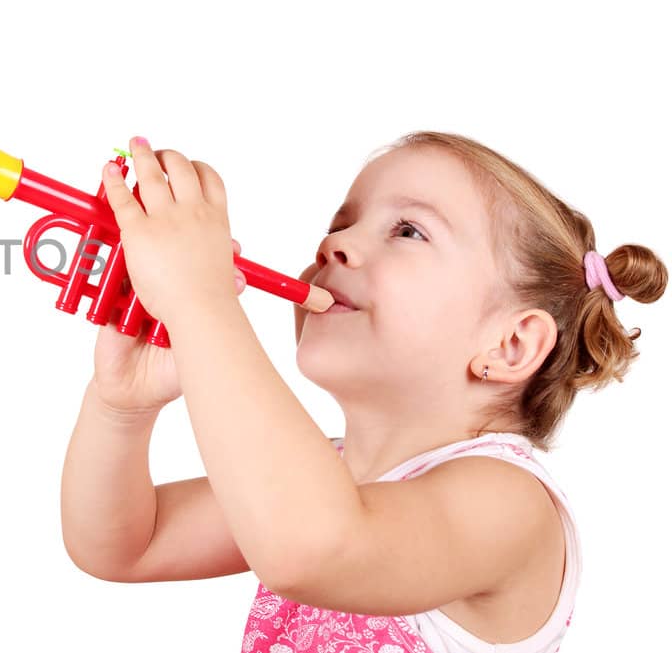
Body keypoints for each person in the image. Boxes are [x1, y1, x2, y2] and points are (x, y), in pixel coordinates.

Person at [61, 133, 664, 651]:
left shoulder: (509, 503)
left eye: (407, 231)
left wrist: (201, 304)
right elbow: (126, 546)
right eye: (340, 225)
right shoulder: (325, 475)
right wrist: (121, 406)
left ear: (510, 346)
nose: (333, 246)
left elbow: (313, 547)